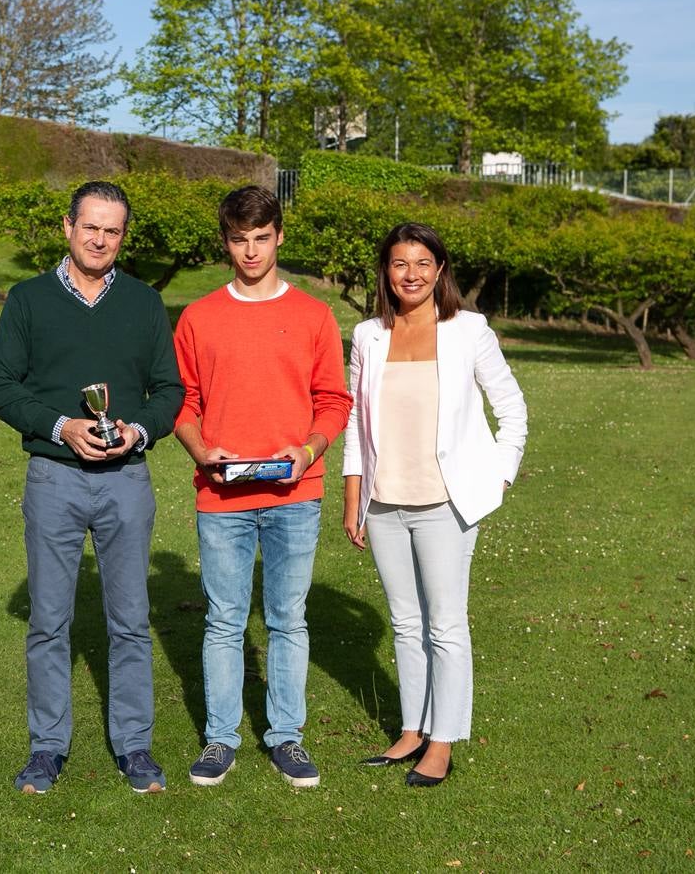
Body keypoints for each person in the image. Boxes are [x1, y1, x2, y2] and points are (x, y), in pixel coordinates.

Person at [0, 181, 184, 794]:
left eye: (113, 230)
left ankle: (135, 746)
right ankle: (47, 748)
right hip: (54, 478)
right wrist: (60, 425)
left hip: (125, 479)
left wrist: (138, 432)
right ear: (68, 227)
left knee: (129, 619)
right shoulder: (28, 299)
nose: (100, 239)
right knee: (49, 621)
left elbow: (169, 392)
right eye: (90, 226)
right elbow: (0, 385)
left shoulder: (146, 302)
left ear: (124, 236)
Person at [172, 185, 352, 788]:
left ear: (279, 236)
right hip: (220, 496)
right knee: (223, 620)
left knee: (287, 619)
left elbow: (333, 401)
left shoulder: (314, 316)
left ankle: (286, 737)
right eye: (239, 239)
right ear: (226, 242)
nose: (251, 250)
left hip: (295, 495)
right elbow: (183, 403)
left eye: (261, 238)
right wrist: (202, 451)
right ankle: (220, 738)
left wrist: (306, 451)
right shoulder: (198, 317)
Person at [341, 221, 527, 787]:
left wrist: (499, 476)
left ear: (440, 269)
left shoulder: (470, 330)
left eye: (423, 263)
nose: (411, 274)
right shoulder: (368, 335)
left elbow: (511, 407)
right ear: (387, 271)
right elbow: (354, 419)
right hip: (385, 501)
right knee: (405, 622)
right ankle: (412, 729)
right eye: (400, 263)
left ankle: (443, 740)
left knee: (445, 625)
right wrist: (354, 497)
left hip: (448, 504)